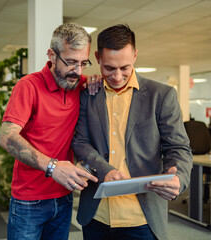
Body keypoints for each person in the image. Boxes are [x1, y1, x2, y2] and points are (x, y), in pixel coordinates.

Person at [72, 24, 193, 240]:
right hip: (97, 216)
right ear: (98, 57)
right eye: (109, 68)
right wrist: (104, 169)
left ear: (135, 56)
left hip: (142, 217)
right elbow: (80, 142)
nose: (117, 76)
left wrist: (179, 178)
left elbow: (178, 147)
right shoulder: (89, 94)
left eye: (125, 67)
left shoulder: (161, 95)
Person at [0, 23, 99, 240]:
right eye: (71, 62)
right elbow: (7, 137)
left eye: (84, 63)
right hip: (29, 200)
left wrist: (96, 82)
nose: (78, 71)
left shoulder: (80, 84)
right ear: (52, 55)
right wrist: (52, 166)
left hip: (64, 196)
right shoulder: (28, 86)